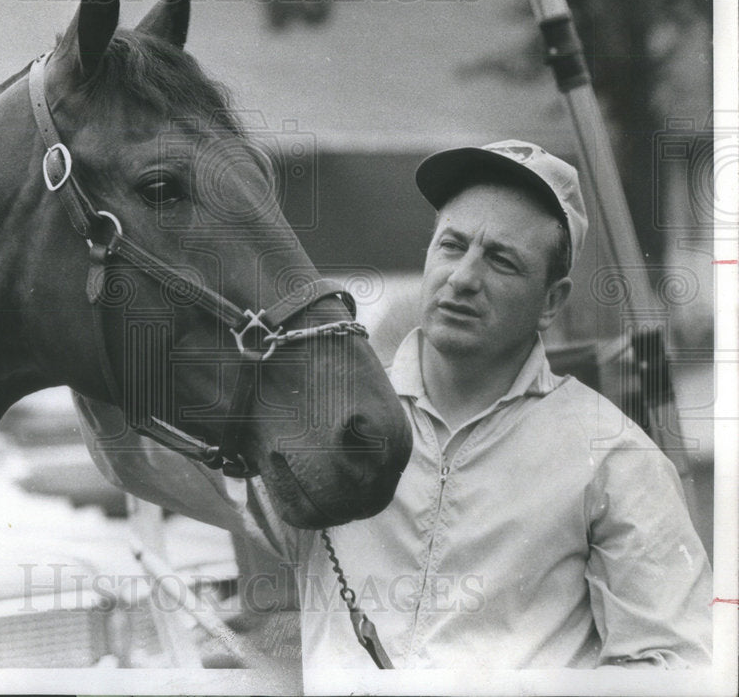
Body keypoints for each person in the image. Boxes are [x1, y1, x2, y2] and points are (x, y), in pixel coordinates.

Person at [78, 140, 712, 671]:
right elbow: (141, 463)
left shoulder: (614, 457)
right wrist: (85, 342)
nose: (463, 277)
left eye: (501, 261)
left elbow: (674, 666)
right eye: (451, 245)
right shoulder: (331, 425)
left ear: (552, 301)